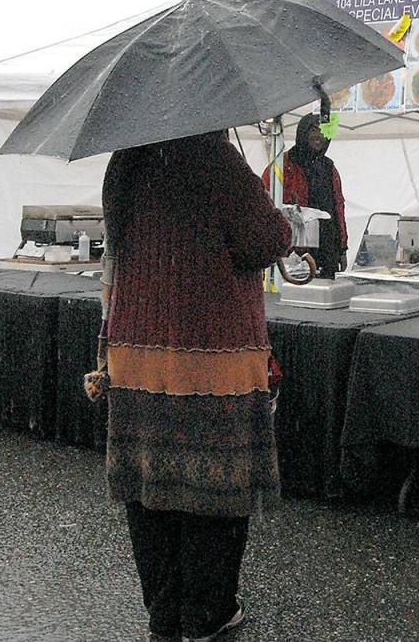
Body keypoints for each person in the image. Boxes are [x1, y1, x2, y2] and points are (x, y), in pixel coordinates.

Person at [100, 131, 291, 641]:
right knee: (215, 487)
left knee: (151, 484)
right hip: (210, 354)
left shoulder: (127, 158)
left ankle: (165, 616)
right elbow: (268, 239)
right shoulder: (213, 156)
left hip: (136, 351)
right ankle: (207, 614)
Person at [263, 114, 348, 278]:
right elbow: (266, 208)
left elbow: (338, 209)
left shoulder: (329, 167)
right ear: (303, 133)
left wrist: (342, 249)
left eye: (324, 131)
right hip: (295, 256)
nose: (319, 136)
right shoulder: (282, 166)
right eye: (314, 130)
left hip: (327, 253)